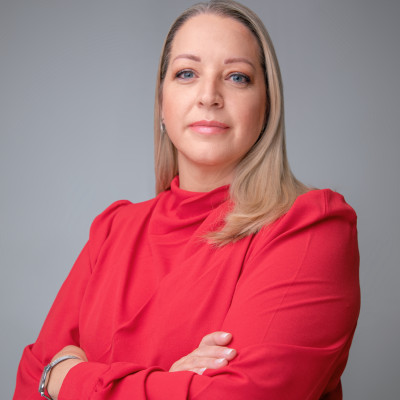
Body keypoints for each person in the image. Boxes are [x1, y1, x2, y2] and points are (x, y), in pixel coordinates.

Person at [13, 0, 360, 399]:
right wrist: (171, 380)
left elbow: (240, 397)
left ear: (267, 105)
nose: (209, 96)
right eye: (187, 73)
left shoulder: (309, 225)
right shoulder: (112, 230)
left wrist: (66, 378)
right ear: (162, 102)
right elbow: (29, 384)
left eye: (237, 77)